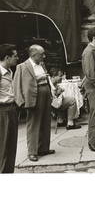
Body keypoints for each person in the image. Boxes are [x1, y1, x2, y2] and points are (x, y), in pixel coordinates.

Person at [13, 45, 55, 162]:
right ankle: (32, 152)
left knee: (45, 121)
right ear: (34, 55)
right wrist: (20, 101)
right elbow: (16, 85)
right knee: (33, 124)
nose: (44, 56)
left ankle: (43, 148)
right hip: (33, 98)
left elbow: (47, 78)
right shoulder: (22, 67)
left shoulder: (41, 64)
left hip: (46, 95)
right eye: (42, 54)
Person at [0, 44, 19, 173]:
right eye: (15, 56)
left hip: (12, 110)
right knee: (3, 148)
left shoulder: (10, 71)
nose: (17, 58)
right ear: (7, 57)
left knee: (11, 146)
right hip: (3, 112)